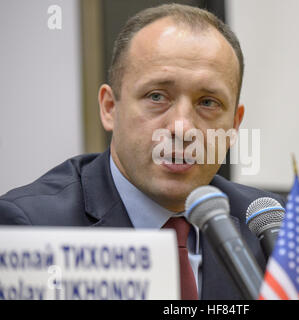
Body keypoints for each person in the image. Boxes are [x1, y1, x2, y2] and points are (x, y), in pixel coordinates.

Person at [0, 4, 284, 299]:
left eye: (208, 103)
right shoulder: (31, 227)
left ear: (234, 125)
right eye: (157, 96)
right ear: (110, 108)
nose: (182, 129)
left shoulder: (269, 230)